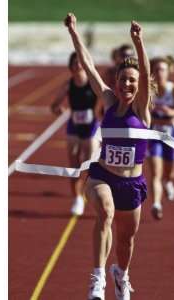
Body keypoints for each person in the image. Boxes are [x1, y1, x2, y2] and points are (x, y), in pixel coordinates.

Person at [64, 13, 151, 300]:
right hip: (102, 175)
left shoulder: (141, 110)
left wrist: (138, 44)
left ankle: (120, 275)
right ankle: (98, 279)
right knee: (105, 211)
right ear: (116, 81)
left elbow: (146, 75)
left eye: (132, 81)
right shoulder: (109, 101)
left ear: (140, 86)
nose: (127, 84)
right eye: (123, 79)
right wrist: (74, 33)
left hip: (131, 183)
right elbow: (88, 67)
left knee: (126, 240)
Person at [51, 52, 102, 216]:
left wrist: (96, 112)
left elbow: (104, 100)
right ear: (70, 67)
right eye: (74, 63)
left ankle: (93, 195)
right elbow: (54, 105)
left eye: (80, 63)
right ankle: (77, 198)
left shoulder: (92, 84)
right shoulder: (68, 85)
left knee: (90, 164)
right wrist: (59, 110)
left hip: (91, 126)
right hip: (74, 126)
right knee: (73, 165)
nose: (78, 66)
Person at [147, 55, 174, 220]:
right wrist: (154, 116)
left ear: (168, 71)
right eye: (156, 69)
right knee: (155, 173)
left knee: (169, 173)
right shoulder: (150, 91)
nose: (159, 72)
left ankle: (168, 182)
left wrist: (173, 113)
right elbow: (144, 114)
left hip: (172, 135)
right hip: (155, 135)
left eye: (162, 69)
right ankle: (156, 204)